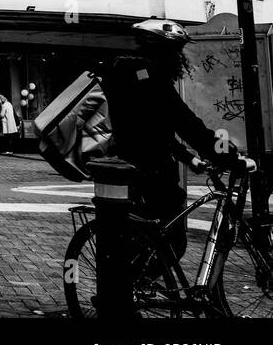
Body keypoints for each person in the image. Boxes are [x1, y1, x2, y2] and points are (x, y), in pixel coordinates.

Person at [97, 19, 241, 259]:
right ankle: (134, 289)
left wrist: (188, 158)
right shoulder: (151, 79)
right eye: (177, 51)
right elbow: (186, 123)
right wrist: (226, 154)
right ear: (165, 50)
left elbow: (153, 128)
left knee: (152, 240)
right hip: (151, 174)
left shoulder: (128, 75)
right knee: (171, 242)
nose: (180, 58)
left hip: (130, 169)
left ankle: (133, 288)